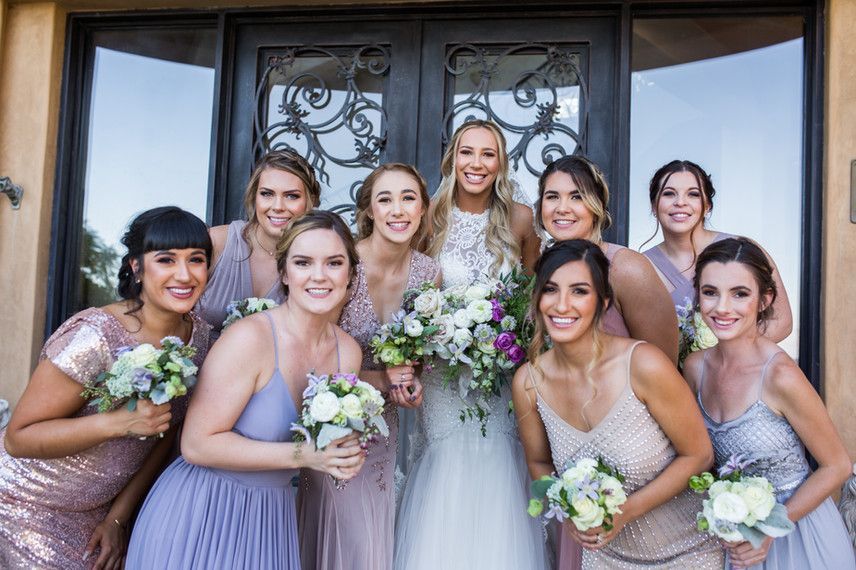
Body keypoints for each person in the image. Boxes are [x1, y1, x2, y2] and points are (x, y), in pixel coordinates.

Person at [126, 211, 367, 570]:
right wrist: (307, 455)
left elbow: (324, 441)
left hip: (272, 519)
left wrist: (341, 452)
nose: (319, 276)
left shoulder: (347, 352)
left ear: (350, 274)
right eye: (303, 263)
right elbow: (196, 444)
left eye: (334, 263)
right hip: (200, 516)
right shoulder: (249, 338)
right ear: (284, 273)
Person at [0, 206, 213, 569]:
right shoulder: (96, 335)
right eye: (166, 259)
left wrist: (118, 518)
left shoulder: (201, 340)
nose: (184, 274)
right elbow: (18, 438)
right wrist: (119, 423)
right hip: (27, 501)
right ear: (136, 267)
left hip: (97, 513)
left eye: (196, 259)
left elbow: (165, 434)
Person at [394, 120, 548, 570]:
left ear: (500, 162)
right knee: (447, 469)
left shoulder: (520, 219)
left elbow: (530, 299)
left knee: (498, 463)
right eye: (467, 152)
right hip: (443, 377)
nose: (475, 163)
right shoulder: (429, 216)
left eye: (487, 153)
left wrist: (508, 342)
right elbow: (412, 295)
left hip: (498, 378)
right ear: (452, 159)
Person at [513, 239, 723, 569]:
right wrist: (568, 508)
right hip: (603, 559)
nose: (562, 304)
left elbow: (699, 455)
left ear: (604, 301)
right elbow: (539, 464)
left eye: (580, 291)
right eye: (551, 290)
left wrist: (624, 512)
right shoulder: (528, 381)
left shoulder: (643, 363)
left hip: (686, 553)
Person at [298, 163, 440, 570]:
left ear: (423, 210)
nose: (398, 210)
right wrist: (380, 378)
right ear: (369, 212)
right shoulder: (344, 265)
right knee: (339, 535)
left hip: (385, 428)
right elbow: (311, 360)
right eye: (385, 199)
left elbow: (415, 355)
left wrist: (410, 385)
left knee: (370, 538)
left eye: (408, 198)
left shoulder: (429, 273)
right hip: (332, 424)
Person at [684, 237, 854, 569]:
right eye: (710, 292)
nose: (722, 307)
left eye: (740, 294)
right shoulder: (695, 368)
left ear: (765, 299)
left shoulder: (781, 376)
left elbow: (837, 466)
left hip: (798, 535)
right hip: (730, 538)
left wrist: (767, 530)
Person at [535, 155, 678, 364]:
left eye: (577, 196)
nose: (562, 208)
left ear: (598, 205)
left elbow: (665, 368)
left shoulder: (627, 268)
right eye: (552, 196)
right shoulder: (541, 269)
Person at [642, 160, 792, 342]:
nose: (680, 202)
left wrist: (723, 359)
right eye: (668, 194)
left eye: (693, 194)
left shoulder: (742, 250)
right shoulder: (641, 266)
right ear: (653, 206)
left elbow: (781, 321)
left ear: (707, 206)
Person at [196, 149, 320, 338]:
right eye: (267, 194)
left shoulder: (315, 262)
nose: (278, 206)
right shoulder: (216, 243)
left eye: (291, 196)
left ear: (310, 201)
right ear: (254, 197)